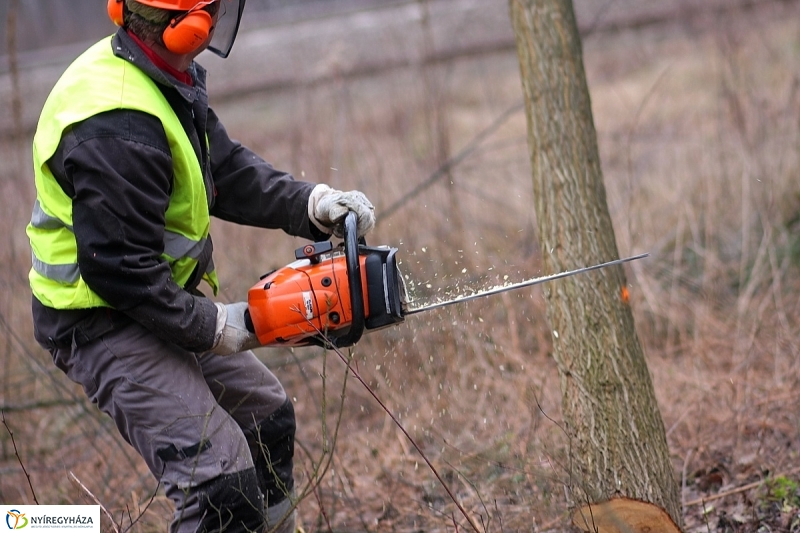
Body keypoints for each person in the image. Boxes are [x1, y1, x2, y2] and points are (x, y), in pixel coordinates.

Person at [25, 1, 376, 531]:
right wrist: (217, 327)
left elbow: (222, 168)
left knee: (267, 420)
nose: (213, 20)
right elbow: (119, 271)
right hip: (101, 321)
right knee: (221, 486)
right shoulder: (118, 123)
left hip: (157, 302)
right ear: (184, 26)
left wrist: (310, 204)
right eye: (207, 11)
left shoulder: (157, 73)